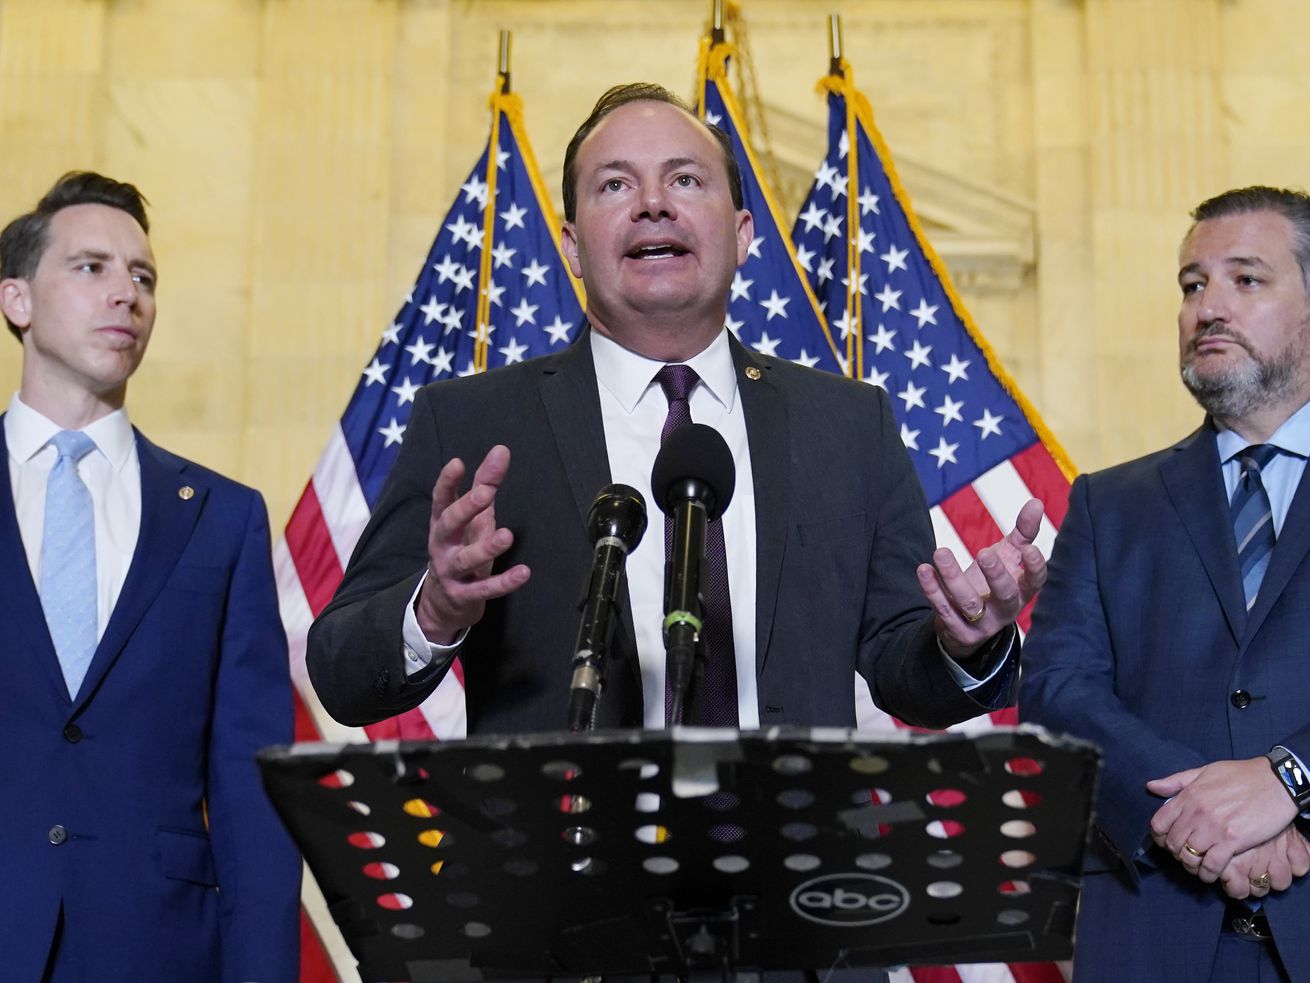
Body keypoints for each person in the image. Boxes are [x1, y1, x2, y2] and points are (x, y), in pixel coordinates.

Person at [308, 82, 1046, 738]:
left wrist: (964, 641)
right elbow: (340, 672)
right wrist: (431, 611)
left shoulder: (851, 425)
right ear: (570, 246)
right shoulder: (471, 423)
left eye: (685, 180)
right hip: (563, 875)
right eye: (614, 186)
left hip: (789, 870)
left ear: (744, 234)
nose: (652, 203)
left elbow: (901, 665)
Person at [0, 172, 300, 982]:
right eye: (91, 268)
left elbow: (251, 790)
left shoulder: (222, 518)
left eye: (143, 277)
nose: (126, 294)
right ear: (17, 301)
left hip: (159, 948)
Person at [1021, 186, 1310, 981]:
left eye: (1245, 280)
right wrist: (1196, 820)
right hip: (1154, 934)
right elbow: (1055, 689)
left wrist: (1290, 776)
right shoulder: (1109, 503)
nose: (1208, 306)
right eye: (1192, 285)